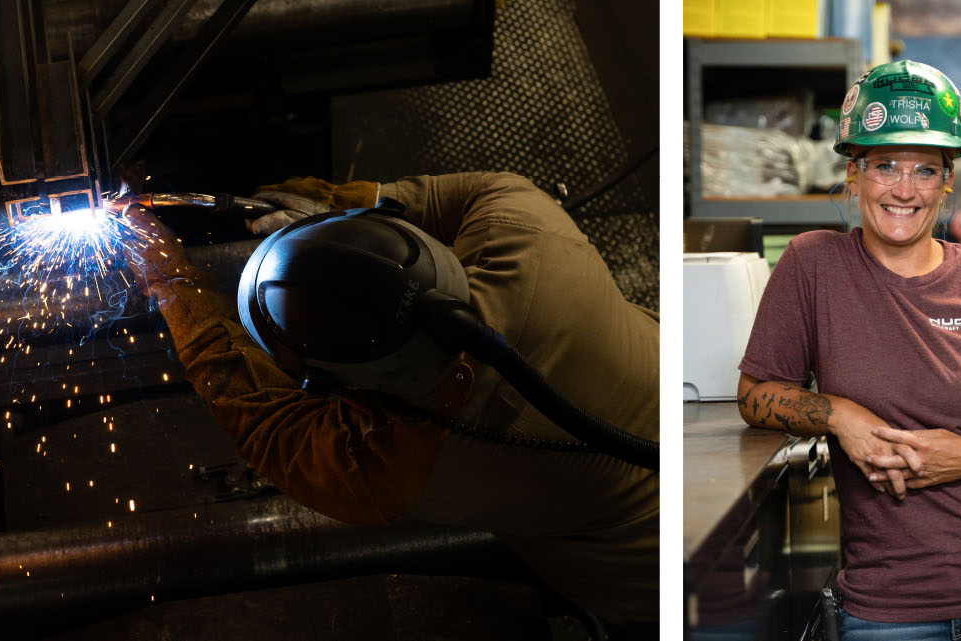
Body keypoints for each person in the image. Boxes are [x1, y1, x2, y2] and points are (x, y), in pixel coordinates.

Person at [122, 171, 659, 626]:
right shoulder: (525, 227)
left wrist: (169, 278)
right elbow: (434, 198)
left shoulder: (380, 465)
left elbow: (260, 420)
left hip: (655, 586)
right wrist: (334, 208)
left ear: (325, 377)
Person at [738, 60, 961, 638]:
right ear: (853, 174)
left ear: (947, 181)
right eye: (884, 166)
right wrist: (840, 415)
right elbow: (755, 394)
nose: (903, 190)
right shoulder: (812, 265)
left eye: (925, 170)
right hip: (891, 603)